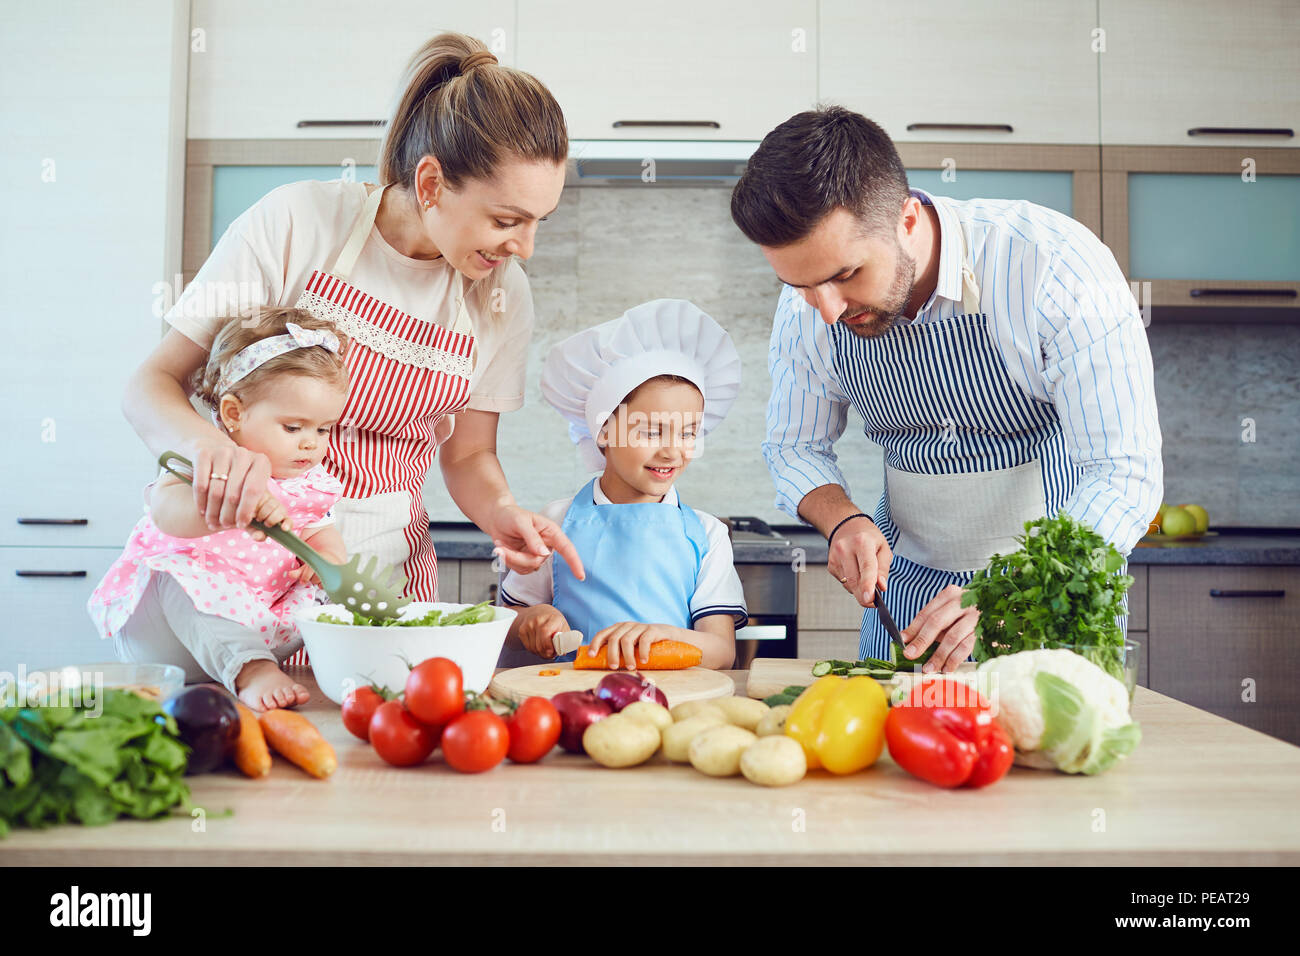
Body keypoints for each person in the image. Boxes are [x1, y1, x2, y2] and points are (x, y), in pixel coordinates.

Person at [122, 31, 584, 623]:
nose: (525, 246)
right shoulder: (297, 222)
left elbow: (468, 454)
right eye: (506, 220)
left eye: (539, 222)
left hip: (376, 577)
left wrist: (502, 512)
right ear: (431, 184)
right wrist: (213, 451)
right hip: (241, 567)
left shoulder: (501, 295)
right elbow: (151, 384)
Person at [731, 106, 1163, 673]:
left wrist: (1013, 590)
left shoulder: (1052, 265)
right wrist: (842, 519)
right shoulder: (809, 302)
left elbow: (1122, 472)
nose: (827, 310)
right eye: (801, 285)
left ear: (907, 219)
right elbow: (795, 448)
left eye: (845, 275)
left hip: (1051, 590)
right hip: (908, 594)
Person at [89, 308, 349, 710]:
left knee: (319, 592)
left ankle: (268, 661)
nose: (311, 443)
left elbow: (320, 528)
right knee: (174, 570)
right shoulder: (203, 459)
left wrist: (328, 557)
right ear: (234, 413)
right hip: (168, 637)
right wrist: (229, 508)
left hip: (257, 626)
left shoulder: (307, 483)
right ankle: (251, 670)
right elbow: (165, 514)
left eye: (323, 429)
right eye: (294, 428)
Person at [498, 300, 747, 671]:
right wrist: (534, 620)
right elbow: (512, 617)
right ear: (603, 433)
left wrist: (665, 636)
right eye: (650, 431)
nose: (671, 451)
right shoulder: (556, 520)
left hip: (673, 705)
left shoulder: (707, 534)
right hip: (574, 699)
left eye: (688, 433)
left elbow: (722, 651)